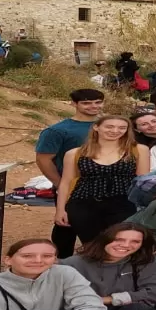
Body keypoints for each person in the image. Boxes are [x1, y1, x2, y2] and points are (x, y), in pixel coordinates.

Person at [55, 115, 151, 244]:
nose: (115, 131)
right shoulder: (75, 153)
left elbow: (142, 181)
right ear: (96, 127)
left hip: (124, 203)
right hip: (84, 203)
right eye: (109, 127)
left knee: (119, 242)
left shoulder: (138, 150)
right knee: (91, 245)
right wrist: (60, 210)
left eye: (122, 128)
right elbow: (66, 182)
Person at [35, 88, 106, 258]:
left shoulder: (109, 126)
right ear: (73, 104)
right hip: (73, 186)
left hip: (107, 187)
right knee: (66, 226)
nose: (93, 106)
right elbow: (44, 159)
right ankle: (59, 263)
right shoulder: (58, 131)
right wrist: (60, 184)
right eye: (86, 103)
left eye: (98, 102)